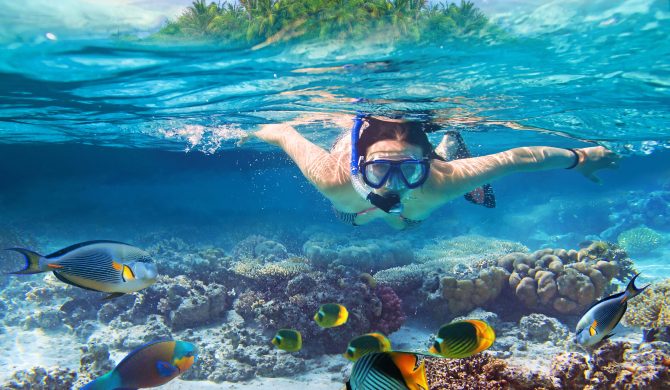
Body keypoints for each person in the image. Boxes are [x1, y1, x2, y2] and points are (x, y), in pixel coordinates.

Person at [245, 114, 619, 230]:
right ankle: (440, 152)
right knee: (350, 217)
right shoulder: (332, 176)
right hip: (353, 207)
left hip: (427, 179)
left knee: (408, 223)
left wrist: (581, 158)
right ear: (360, 166)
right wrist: (245, 129)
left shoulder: (442, 180)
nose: (393, 184)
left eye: (408, 170)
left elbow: (519, 157)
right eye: (379, 169)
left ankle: (445, 147)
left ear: (425, 166)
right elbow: (281, 132)